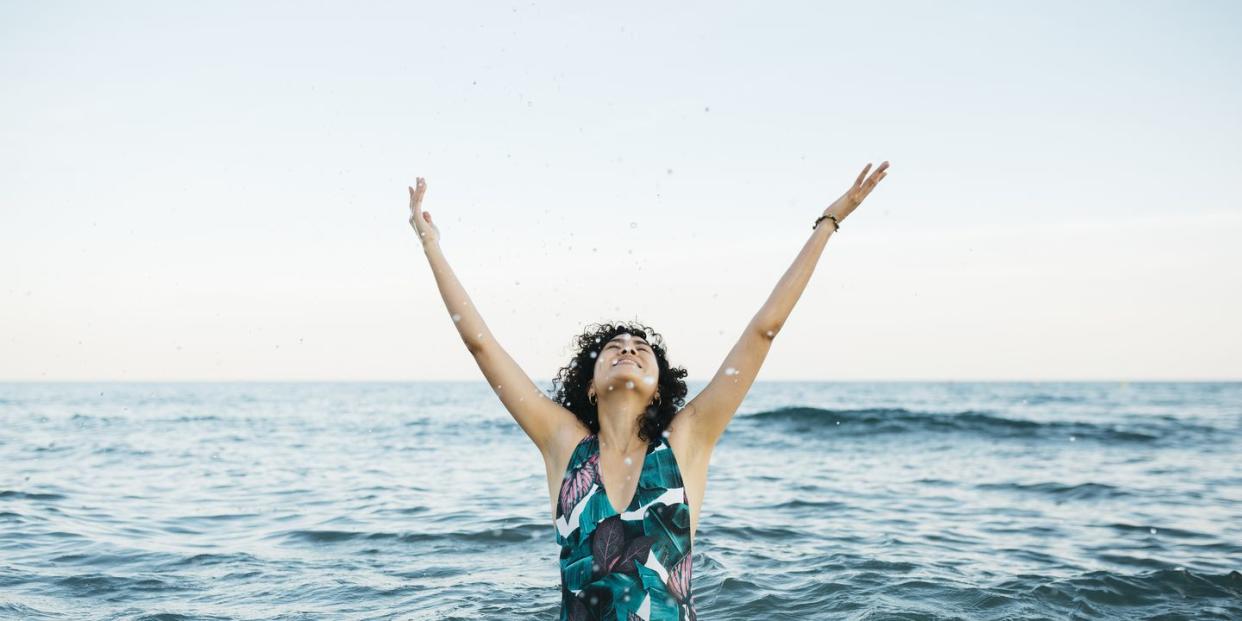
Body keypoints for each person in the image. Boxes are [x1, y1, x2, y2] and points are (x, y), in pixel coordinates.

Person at [407, 161, 889, 620]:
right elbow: (481, 344)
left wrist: (829, 222)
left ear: (659, 389)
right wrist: (431, 244)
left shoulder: (687, 441)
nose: (628, 350)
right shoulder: (564, 444)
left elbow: (765, 329)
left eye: (641, 348)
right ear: (591, 388)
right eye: (613, 347)